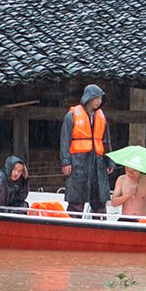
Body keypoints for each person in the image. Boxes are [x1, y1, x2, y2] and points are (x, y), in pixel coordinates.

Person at [60, 84, 114, 216]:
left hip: (98, 162)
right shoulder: (71, 115)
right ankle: (72, 229)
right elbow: (65, 140)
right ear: (89, 98)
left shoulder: (101, 116)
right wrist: (65, 162)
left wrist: (110, 161)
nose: (99, 101)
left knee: (99, 199)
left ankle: (101, 229)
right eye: (97, 98)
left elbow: (106, 141)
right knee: (76, 200)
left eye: (101, 99)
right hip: (78, 161)